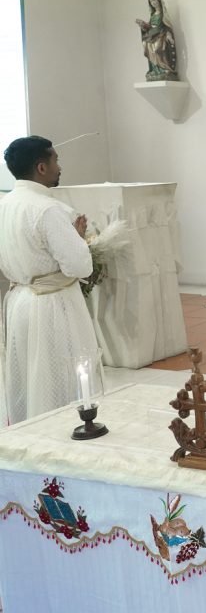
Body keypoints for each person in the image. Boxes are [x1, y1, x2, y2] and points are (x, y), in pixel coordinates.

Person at [0, 136, 99, 425]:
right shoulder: (48, 209)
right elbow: (79, 266)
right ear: (41, 167)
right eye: (56, 160)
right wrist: (78, 240)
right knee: (59, 374)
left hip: (20, 301)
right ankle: (62, 428)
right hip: (52, 304)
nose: (59, 167)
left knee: (28, 376)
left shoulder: (5, 205)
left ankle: (31, 430)